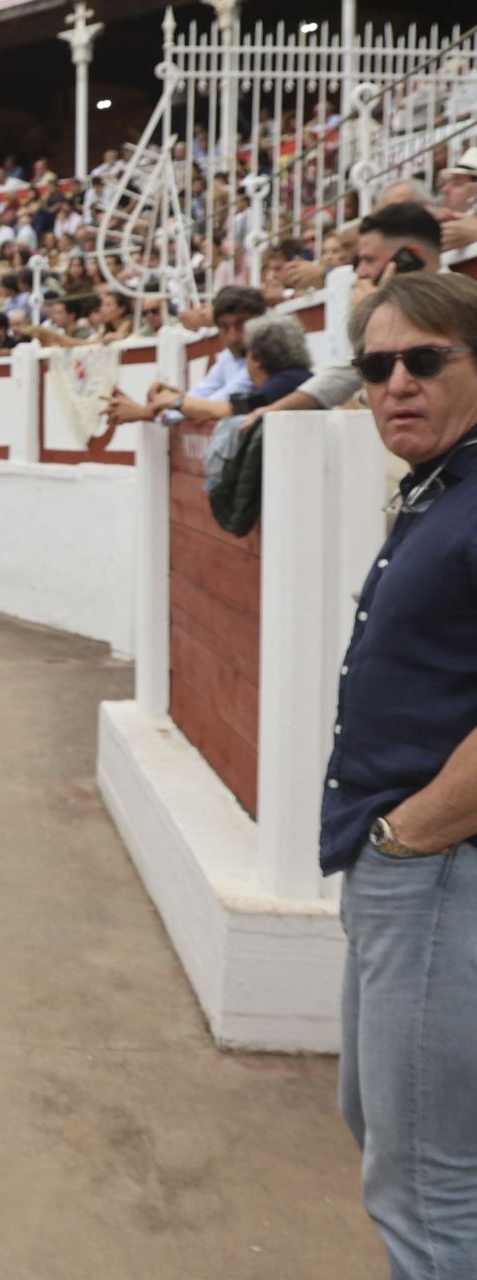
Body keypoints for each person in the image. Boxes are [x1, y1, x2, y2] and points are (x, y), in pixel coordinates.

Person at [325, 270, 477, 1279]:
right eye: (378, 367)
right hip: (405, 873)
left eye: (427, 360)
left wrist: (412, 830)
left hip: (435, 874)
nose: (397, 384)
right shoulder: (443, 491)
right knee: (385, 1129)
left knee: (423, 1187)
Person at [240, 203, 445, 426]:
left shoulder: (459, 309)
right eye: (358, 261)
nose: (360, 272)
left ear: (410, 257)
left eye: (369, 260)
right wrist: (270, 411)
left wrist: (373, 316)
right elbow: (347, 371)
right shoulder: (390, 308)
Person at [107, 286, 267, 427]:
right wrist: (172, 401)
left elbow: (213, 407)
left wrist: (152, 409)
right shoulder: (228, 357)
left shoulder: (264, 359)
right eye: (225, 327)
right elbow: (203, 394)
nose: (233, 337)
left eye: (241, 325)